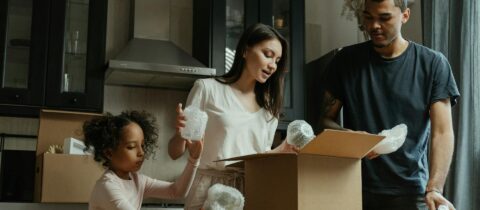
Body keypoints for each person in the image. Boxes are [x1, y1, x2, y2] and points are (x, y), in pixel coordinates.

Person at [321, 0, 460, 210]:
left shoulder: (433, 64)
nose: (374, 26)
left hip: (411, 191)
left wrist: (435, 188)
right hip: (354, 188)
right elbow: (323, 120)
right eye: (368, 17)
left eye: (384, 18)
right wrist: (352, 137)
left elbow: (442, 132)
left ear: (405, 16)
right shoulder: (345, 61)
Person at [168, 23, 298, 209]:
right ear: (245, 51)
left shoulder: (270, 107)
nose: (272, 65)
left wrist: (285, 149)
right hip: (208, 189)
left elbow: (260, 156)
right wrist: (180, 134)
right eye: (268, 55)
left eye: (277, 60)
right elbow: (175, 153)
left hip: (250, 190)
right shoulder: (207, 89)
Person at [84, 110, 203, 210]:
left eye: (142, 145)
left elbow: (176, 191)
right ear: (109, 153)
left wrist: (194, 159)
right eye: (131, 146)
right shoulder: (107, 186)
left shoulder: (138, 180)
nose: (141, 152)